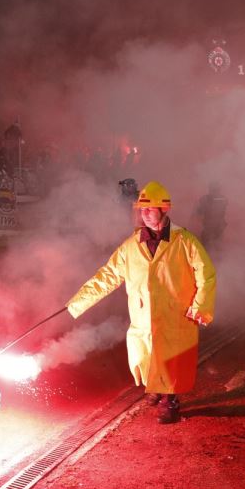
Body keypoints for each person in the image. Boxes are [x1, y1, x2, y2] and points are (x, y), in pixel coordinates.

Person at [66, 181, 216, 425]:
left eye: (150, 209)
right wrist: (76, 304)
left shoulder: (185, 241)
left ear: (163, 210)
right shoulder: (131, 245)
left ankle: (170, 402)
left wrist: (200, 307)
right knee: (146, 357)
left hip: (175, 317)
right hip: (143, 318)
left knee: (170, 361)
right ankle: (156, 388)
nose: (144, 214)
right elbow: (108, 276)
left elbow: (206, 274)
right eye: (141, 210)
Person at [193, 182, 228, 248]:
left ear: (210, 189)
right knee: (218, 243)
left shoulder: (205, 199)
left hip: (209, 225)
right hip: (220, 225)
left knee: (205, 244)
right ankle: (218, 255)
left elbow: (200, 211)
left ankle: (206, 255)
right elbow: (223, 209)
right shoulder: (224, 198)